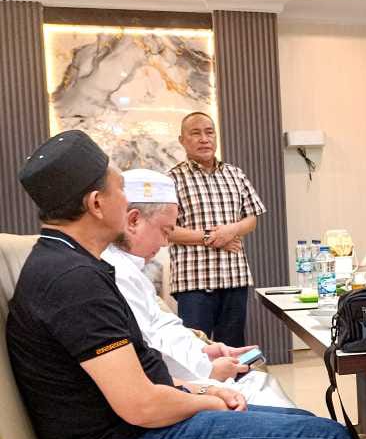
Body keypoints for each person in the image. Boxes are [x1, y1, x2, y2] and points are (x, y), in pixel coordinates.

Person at [7, 130, 352, 439]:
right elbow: (141, 406)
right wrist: (209, 400)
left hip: (138, 423)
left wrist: (202, 388)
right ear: (97, 204)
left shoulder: (68, 262)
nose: (128, 202)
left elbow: (140, 377)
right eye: (121, 190)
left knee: (301, 421)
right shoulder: (73, 280)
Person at [103, 168, 295, 409]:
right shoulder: (115, 274)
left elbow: (164, 327)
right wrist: (209, 369)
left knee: (267, 387)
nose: (165, 242)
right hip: (181, 388)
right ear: (133, 221)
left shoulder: (131, 270)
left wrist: (205, 350)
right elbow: (150, 351)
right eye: (165, 231)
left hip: (194, 373)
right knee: (294, 416)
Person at [168, 112, 266, 347]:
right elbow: (167, 229)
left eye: (209, 132)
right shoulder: (171, 179)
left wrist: (231, 231)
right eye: (196, 133)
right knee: (196, 350)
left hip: (234, 276)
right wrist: (211, 237)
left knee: (233, 349)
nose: (204, 139)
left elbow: (251, 218)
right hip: (193, 281)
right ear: (182, 140)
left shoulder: (235, 174)